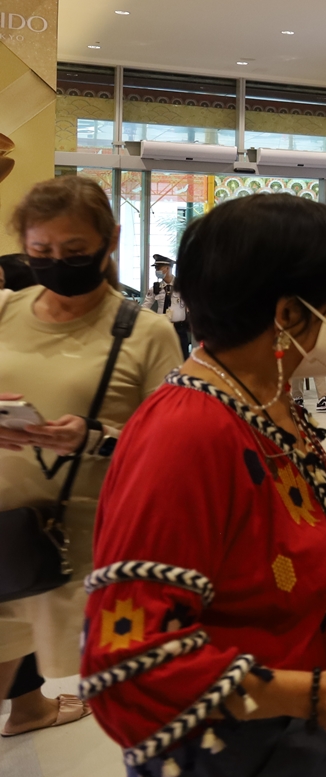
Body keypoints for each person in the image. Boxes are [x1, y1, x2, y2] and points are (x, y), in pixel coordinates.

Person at [81, 193, 326, 774]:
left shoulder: (266, 403)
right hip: (237, 751)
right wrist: (311, 695)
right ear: (287, 314)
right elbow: (126, 663)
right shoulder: (188, 432)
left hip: (298, 739)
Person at [0, 177, 183, 737]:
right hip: (4, 531)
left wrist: (95, 438)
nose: (57, 264)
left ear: (110, 240)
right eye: (41, 251)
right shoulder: (5, 311)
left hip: (86, 547)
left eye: (74, 250)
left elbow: (172, 448)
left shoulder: (146, 332)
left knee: (132, 707)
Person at [145, 254, 191, 357]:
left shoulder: (182, 286)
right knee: (163, 357)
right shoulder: (155, 288)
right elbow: (145, 307)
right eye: (156, 268)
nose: (156, 271)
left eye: (158, 268)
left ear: (167, 268)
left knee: (182, 357)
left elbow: (191, 304)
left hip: (180, 328)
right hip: (162, 328)